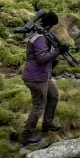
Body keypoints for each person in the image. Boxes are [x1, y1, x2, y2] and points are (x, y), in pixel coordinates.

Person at [21, 10, 62, 144]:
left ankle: (47, 123)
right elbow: (41, 59)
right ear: (50, 24)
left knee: (53, 95)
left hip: (42, 76)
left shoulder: (40, 34)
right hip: (36, 78)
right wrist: (57, 52)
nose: (54, 28)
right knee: (38, 106)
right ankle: (27, 135)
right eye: (54, 25)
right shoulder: (40, 38)